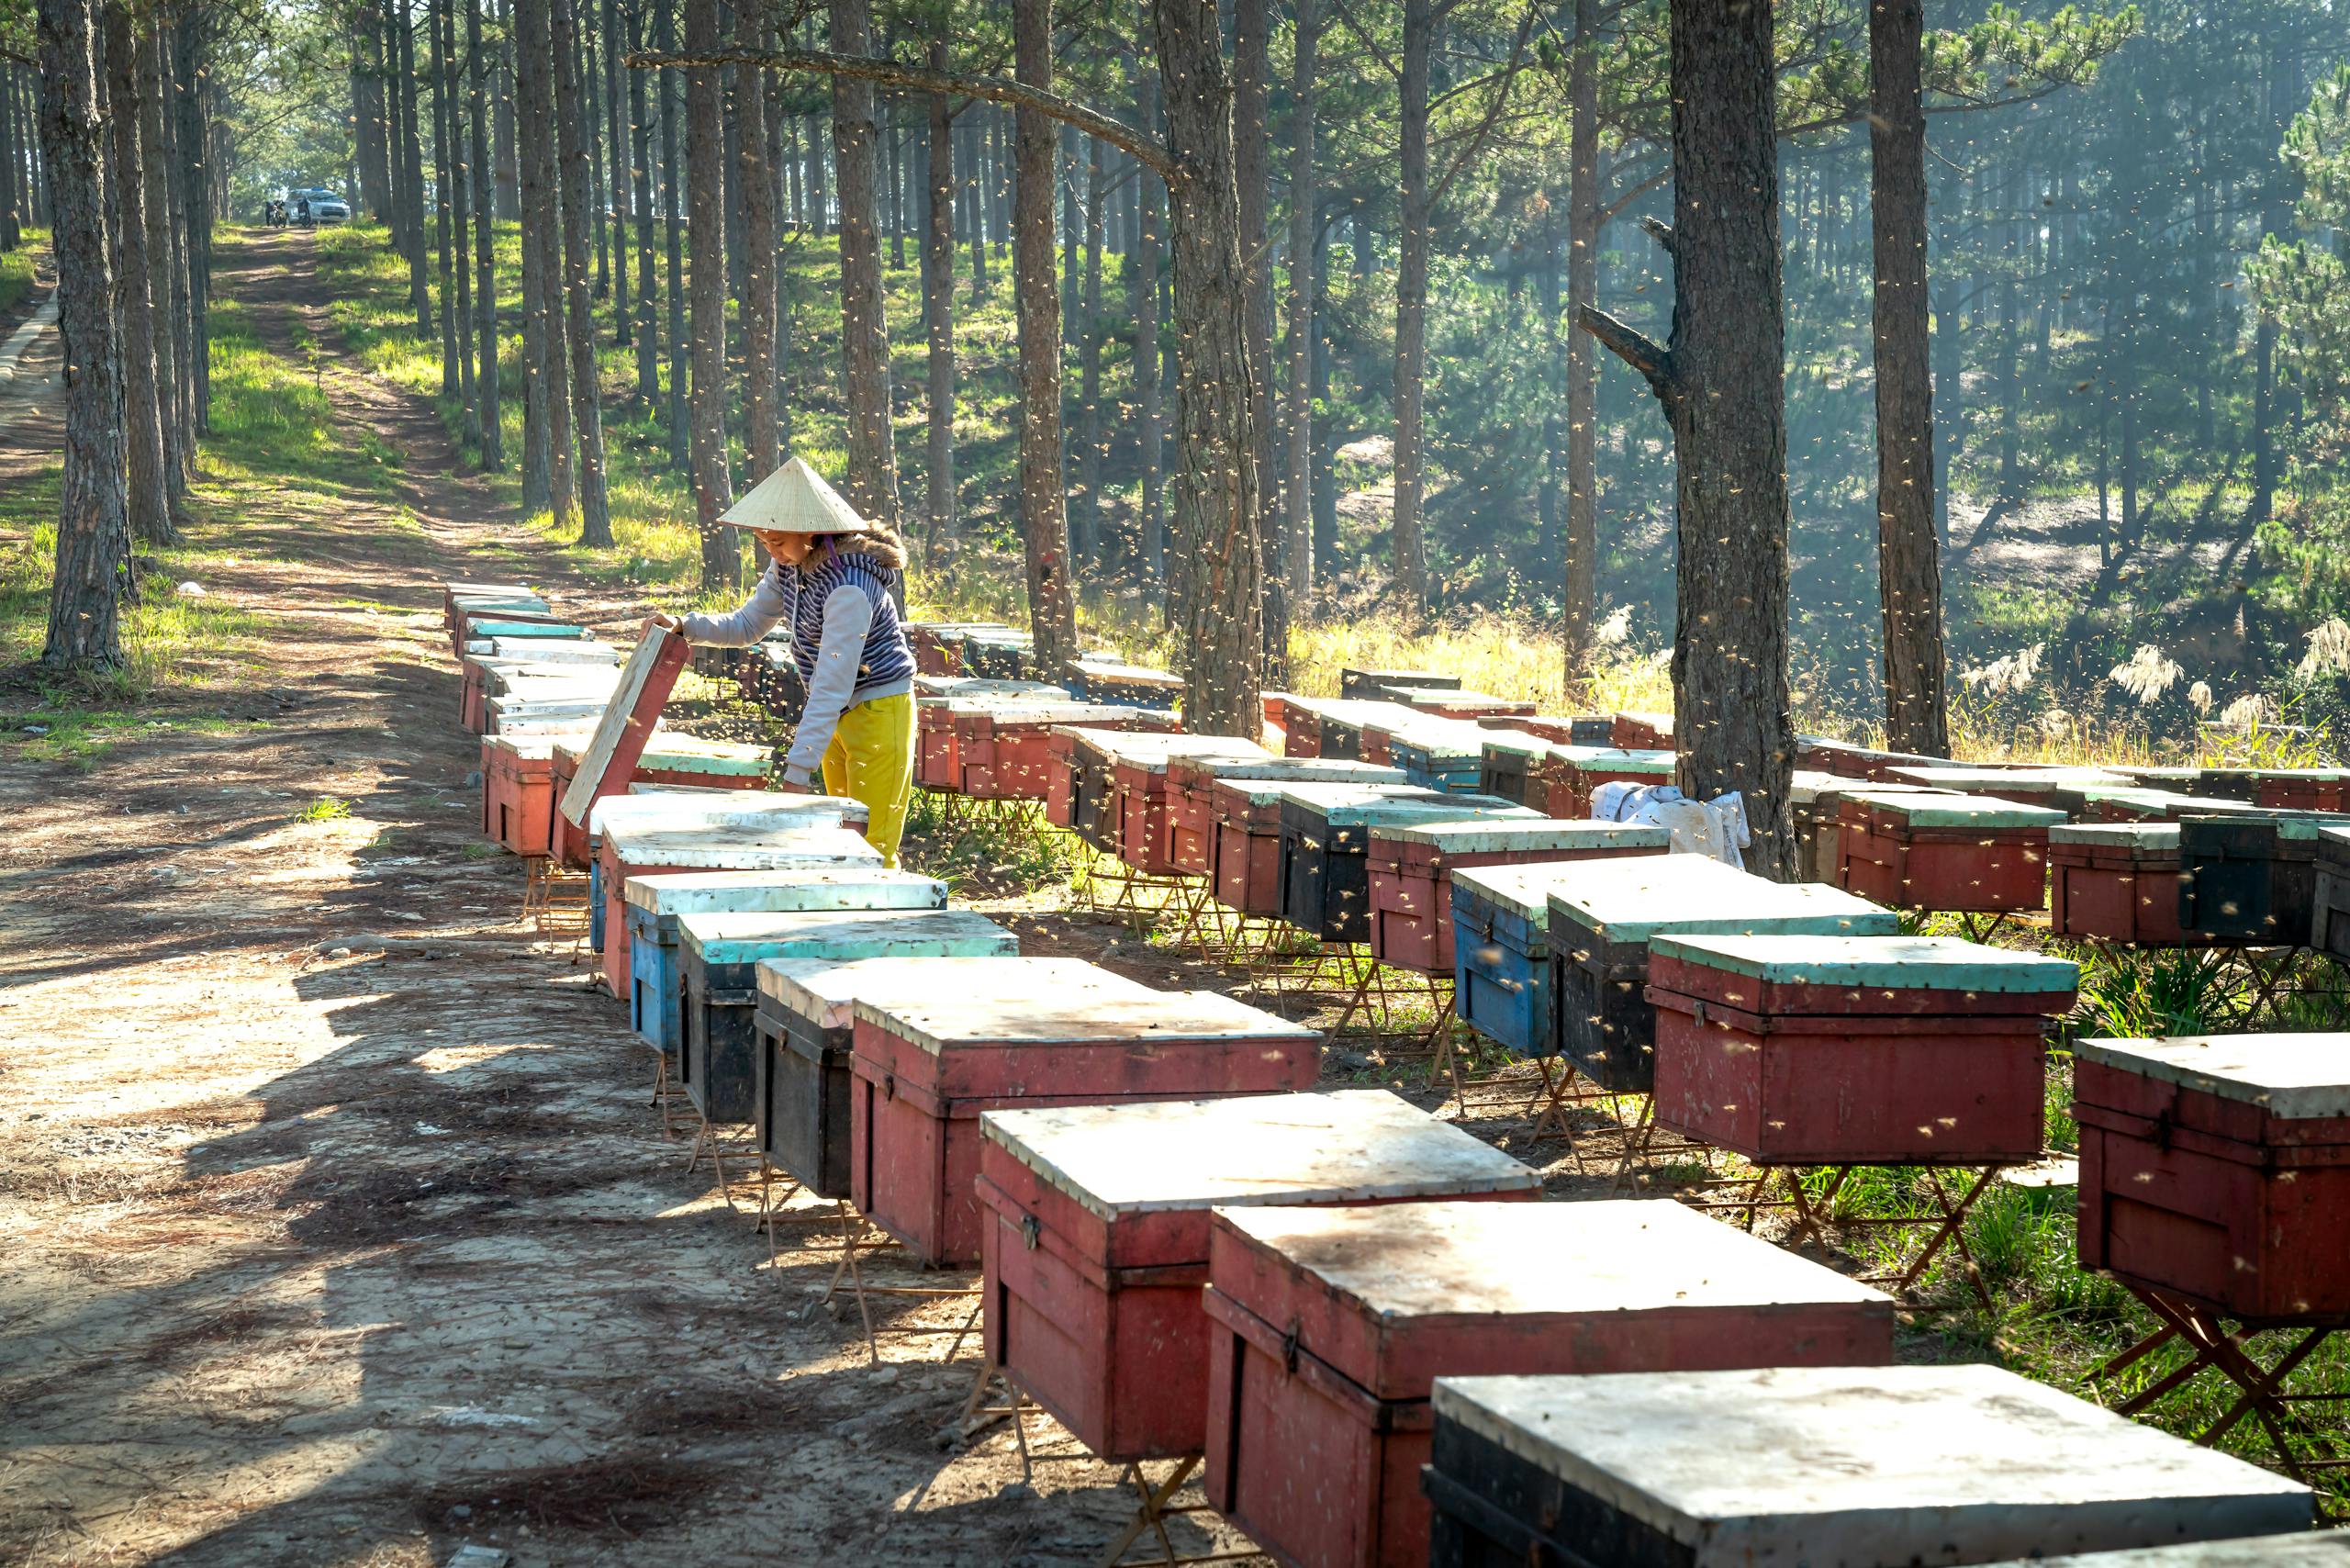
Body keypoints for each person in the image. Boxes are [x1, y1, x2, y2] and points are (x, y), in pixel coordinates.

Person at [651, 458, 917, 868]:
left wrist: (797, 771)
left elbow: (832, 682)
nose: (770, 549)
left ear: (812, 530)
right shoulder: (791, 567)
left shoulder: (850, 587)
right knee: (840, 838)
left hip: (879, 712)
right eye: (764, 541)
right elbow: (748, 623)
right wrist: (686, 626)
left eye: (777, 541)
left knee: (872, 849)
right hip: (838, 715)